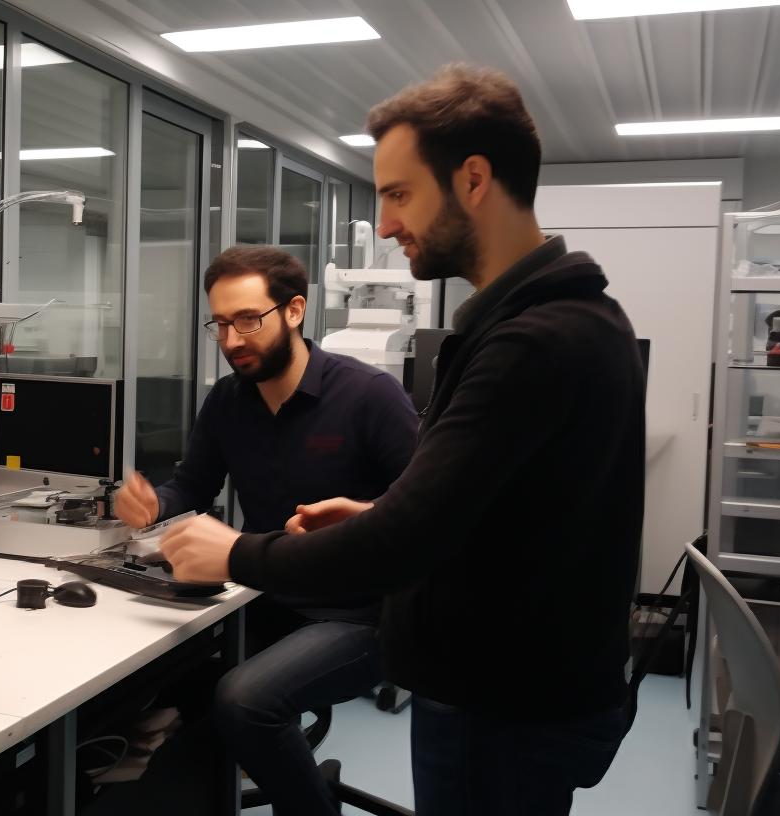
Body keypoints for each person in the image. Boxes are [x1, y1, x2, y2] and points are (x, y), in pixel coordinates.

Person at [159, 63, 646, 816]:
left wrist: (234, 553)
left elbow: (407, 541)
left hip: (505, 704)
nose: (385, 224)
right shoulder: (549, 323)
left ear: (474, 179)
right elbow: (479, 514)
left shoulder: (534, 342)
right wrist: (369, 513)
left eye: (397, 193)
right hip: (508, 688)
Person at [114, 244, 418, 815]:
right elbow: (192, 489)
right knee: (155, 678)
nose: (232, 341)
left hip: (361, 614)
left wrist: (359, 510)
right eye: (221, 324)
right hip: (261, 593)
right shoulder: (227, 402)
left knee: (246, 700)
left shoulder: (368, 397)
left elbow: (424, 515)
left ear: (295, 311)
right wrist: (154, 505)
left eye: (249, 320)